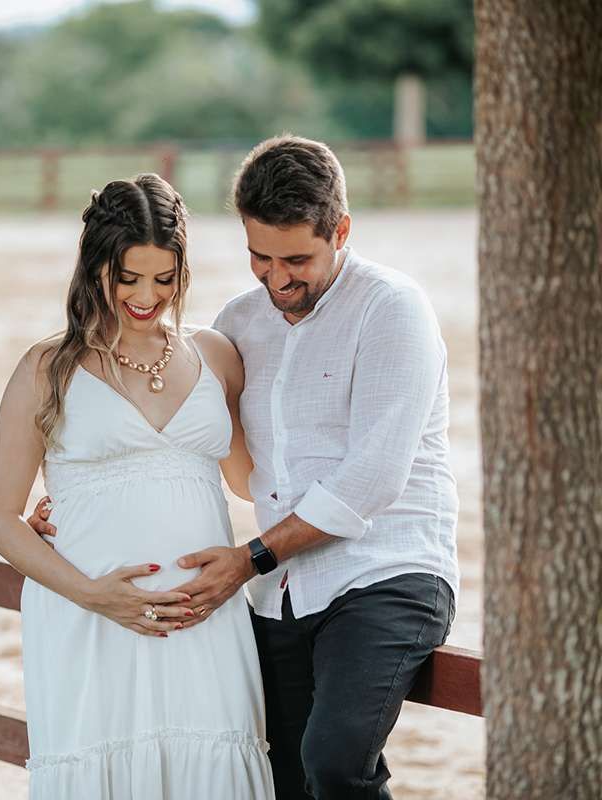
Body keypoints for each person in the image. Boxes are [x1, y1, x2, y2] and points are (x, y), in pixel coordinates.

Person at [31, 136, 460, 800]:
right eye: (260, 257)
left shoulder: (392, 309)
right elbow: (230, 467)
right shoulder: (238, 325)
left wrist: (250, 556)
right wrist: (79, 505)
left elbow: (372, 479)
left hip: (384, 575)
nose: (278, 277)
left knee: (335, 759)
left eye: (298, 259)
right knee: (276, 771)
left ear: (340, 231)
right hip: (282, 591)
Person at [0, 173, 274, 799]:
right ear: (95, 268)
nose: (146, 296)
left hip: (203, 614)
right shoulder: (46, 369)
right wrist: (93, 595)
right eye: (127, 277)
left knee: (214, 765)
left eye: (164, 279)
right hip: (91, 617)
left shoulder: (217, 355)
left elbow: (253, 483)